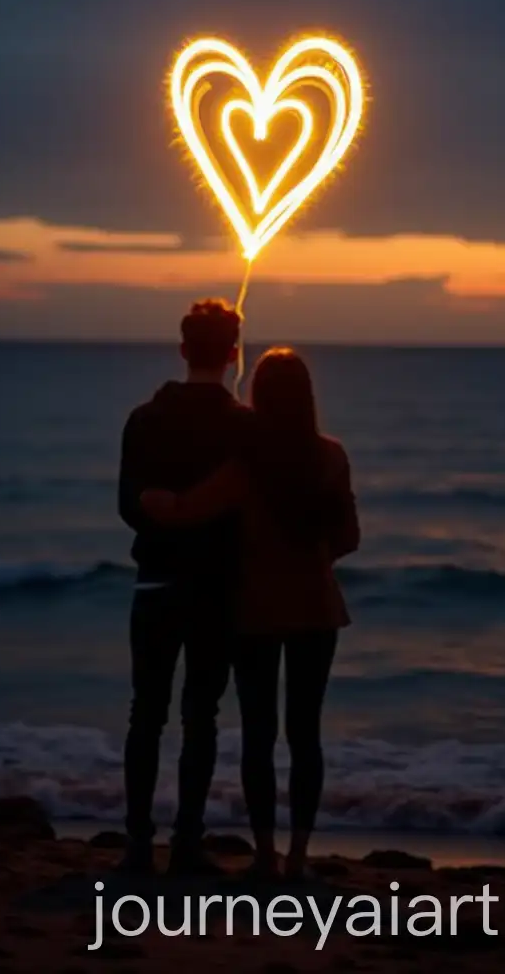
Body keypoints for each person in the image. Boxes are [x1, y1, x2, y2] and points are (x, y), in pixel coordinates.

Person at [141, 347, 359, 880]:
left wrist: (147, 497)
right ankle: (299, 859)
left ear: (258, 396)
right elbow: (349, 537)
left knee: (258, 736)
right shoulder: (331, 456)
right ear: (308, 397)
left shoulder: (246, 465)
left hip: (255, 611)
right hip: (317, 607)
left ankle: (264, 855)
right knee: (306, 735)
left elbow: (188, 510)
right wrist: (312, 561)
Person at [117, 298, 251, 875]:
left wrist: (168, 511)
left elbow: (129, 507)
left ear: (181, 349)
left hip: (154, 584)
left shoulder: (144, 419)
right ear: (232, 353)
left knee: (145, 714)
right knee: (202, 716)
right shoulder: (245, 426)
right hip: (216, 589)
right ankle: (187, 843)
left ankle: (138, 844)